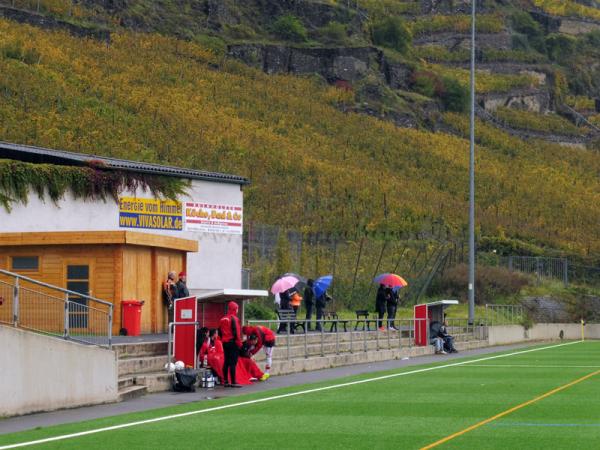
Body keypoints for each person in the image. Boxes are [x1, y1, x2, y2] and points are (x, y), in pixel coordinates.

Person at [219, 301, 243, 387]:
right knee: (233, 363)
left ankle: (225, 381)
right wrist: (239, 344)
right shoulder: (234, 319)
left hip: (225, 343)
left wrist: (223, 340)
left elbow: (220, 331)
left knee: (226, 362)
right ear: (234, 309)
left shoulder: (223, 319)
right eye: (237, 309)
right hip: (233, 343)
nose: (237, 311)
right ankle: (233, 381)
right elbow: (236, 332)